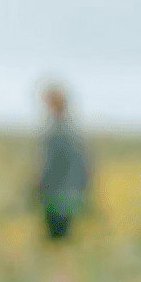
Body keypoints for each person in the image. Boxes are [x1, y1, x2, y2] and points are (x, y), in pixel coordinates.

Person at [32, 82, 91, 242]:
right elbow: (83, 167)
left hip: (55, 199)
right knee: (66, 243)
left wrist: (36, 188)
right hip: (71, 197)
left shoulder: (55, 132)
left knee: (56, 243)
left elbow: (48, 168)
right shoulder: (72, 131)